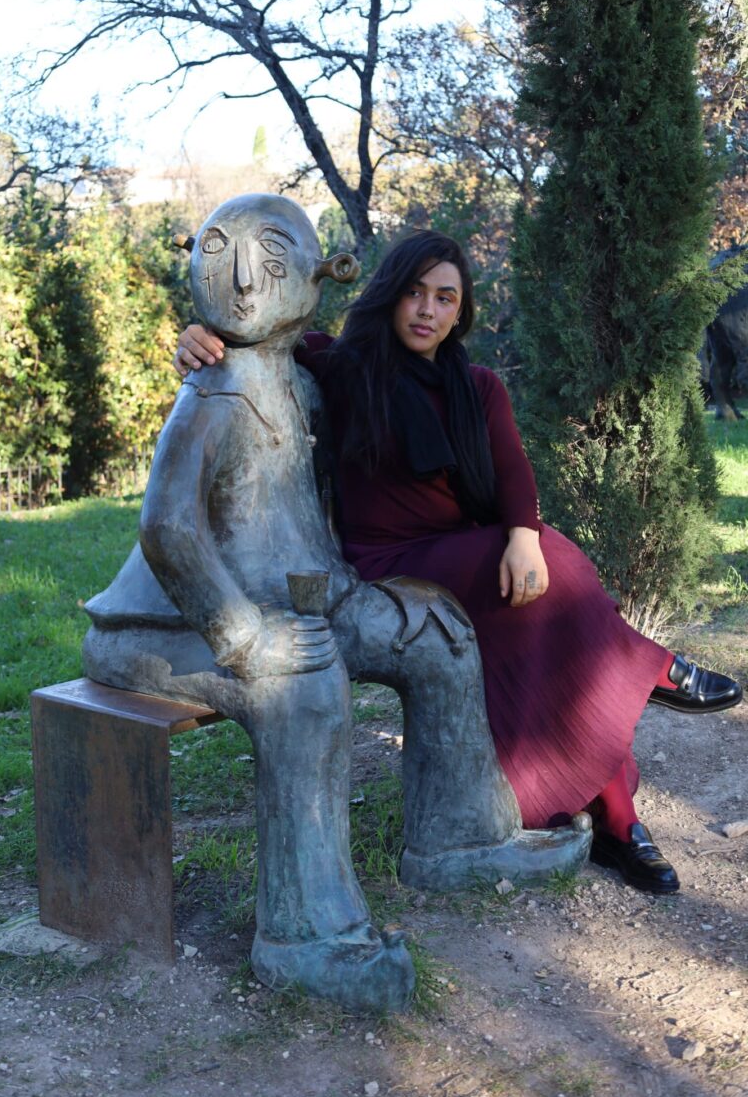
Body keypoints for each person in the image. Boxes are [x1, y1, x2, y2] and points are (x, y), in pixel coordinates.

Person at [174, 229, 743, 896]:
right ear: (389, 296)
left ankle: (619, 821)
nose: (427, 310)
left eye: (445, 298)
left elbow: (513, 475)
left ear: (461, 310)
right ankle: (652, 670)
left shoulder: (478, 386)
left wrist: (521, 535)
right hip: (391, 561)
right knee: (559, 574)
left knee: (557, 635)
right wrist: (194, 334)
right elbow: (256, 336)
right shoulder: (345, 364)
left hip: (467, 553)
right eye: (414, 293)